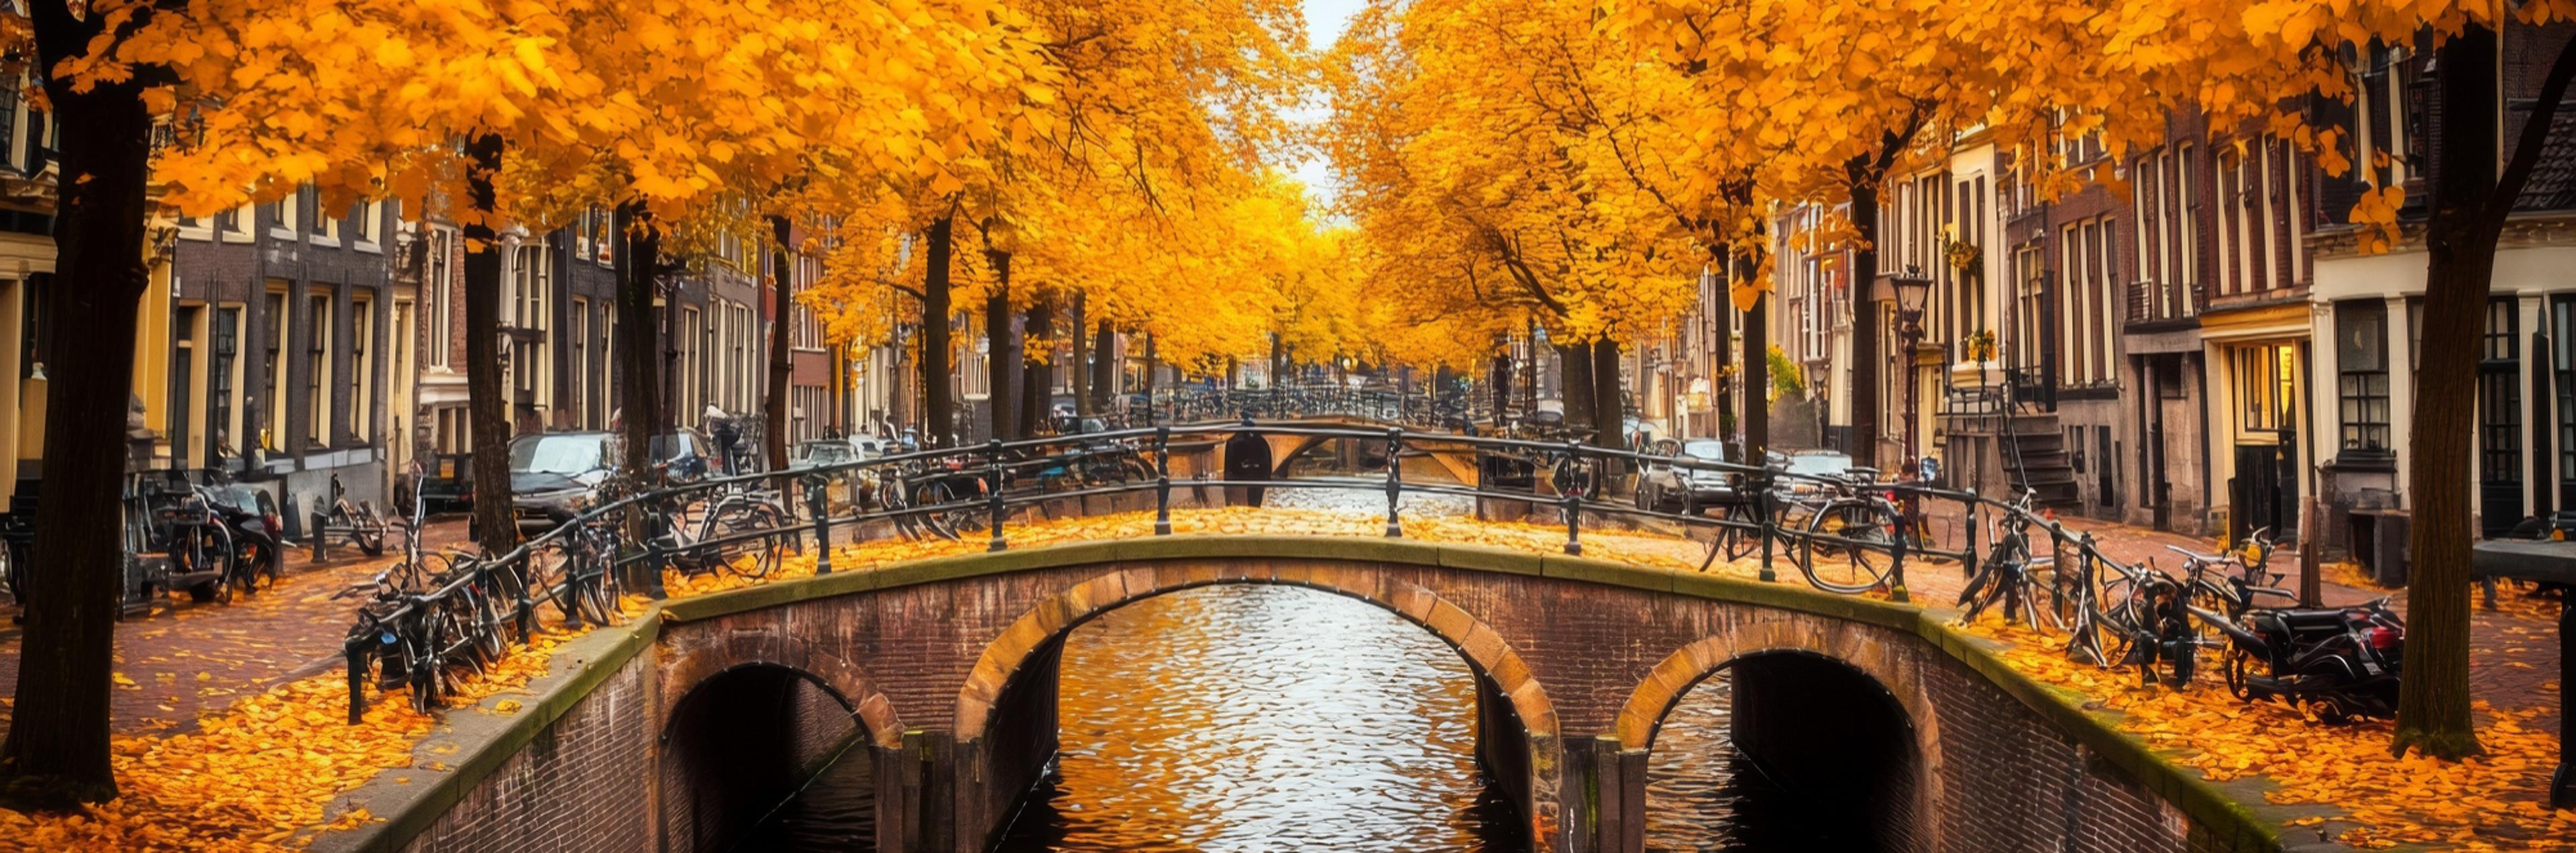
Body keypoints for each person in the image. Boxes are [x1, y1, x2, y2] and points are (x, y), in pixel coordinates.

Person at [1222, 415, 1273, 507]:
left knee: (1250, 503)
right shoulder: (1261, 442)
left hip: (1246, 477)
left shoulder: (1233, 442)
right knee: (1254, 503)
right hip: (1253, 476)